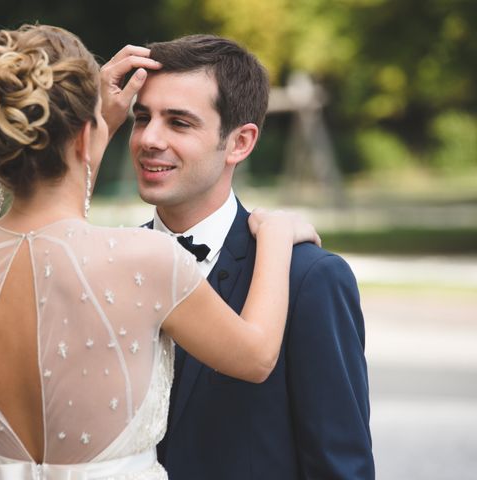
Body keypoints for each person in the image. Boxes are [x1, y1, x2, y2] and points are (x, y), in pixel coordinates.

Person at [0, 25, 320, 479]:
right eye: (138, 118)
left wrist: (94, 120)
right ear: (85, 133)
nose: (147, 137)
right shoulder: (143, 259)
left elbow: (51, 210)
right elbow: (255, 355)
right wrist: (275, 234)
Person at [100, 35, 375, 479]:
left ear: (240, 143)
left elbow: (340, 466)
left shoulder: (309, 278)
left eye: (179, 123)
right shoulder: (104, 265)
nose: (149, 139)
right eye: (142, 117)